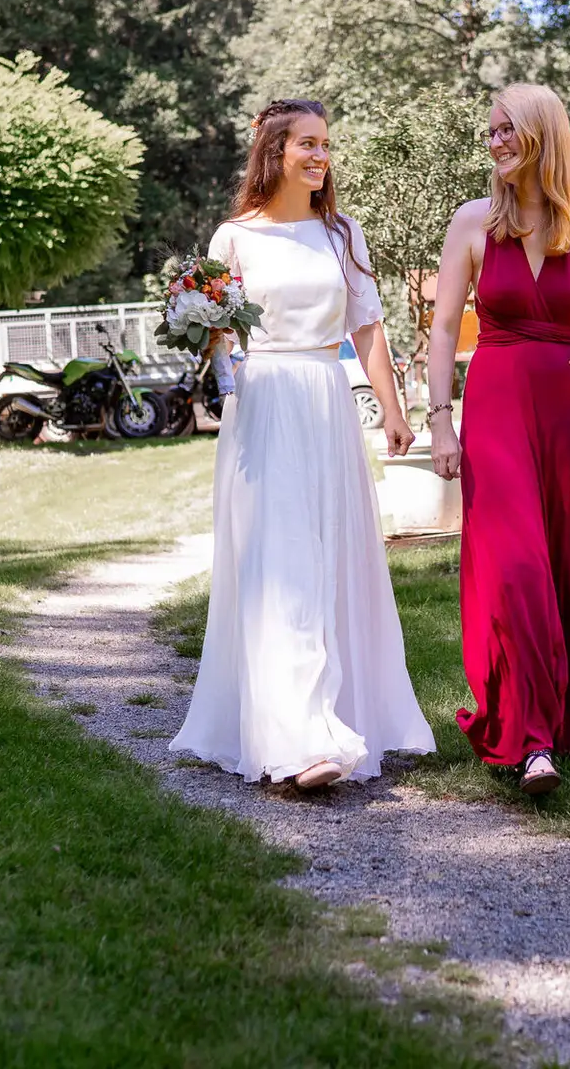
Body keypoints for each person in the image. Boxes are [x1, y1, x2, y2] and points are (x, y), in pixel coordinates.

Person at [171, 99, 437, 788]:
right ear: (274, 153)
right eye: (308, 145)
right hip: (263, 403)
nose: (321, 157)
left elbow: (368, 328)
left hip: (325, 397)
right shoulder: (233, 238)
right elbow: (220, 336)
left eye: (326, 145)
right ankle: (298, 739)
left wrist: (392, 407)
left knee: (330, 559)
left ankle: (344, 715)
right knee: (279, 558)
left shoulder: (343, 233)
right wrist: (218, 358)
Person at [425, 83, 570, 795]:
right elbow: (446, 328)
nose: (495, 142)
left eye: (508, 130)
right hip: (497, 409)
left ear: (543, 134)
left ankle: (569, 727)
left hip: (567, 413)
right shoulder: (473, 222)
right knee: (516, 569)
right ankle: (532, 738)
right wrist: (438, 421)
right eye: (491, 132)